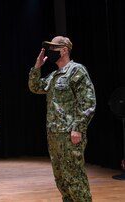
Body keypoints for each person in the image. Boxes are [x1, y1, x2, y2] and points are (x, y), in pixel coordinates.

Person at [28, 36, 96, 202]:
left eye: (53, 49)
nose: (50, 53)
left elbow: (88, 102)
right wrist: (37, 67)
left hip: (69, 134)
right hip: (54, 134)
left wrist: (78, 128)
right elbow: (35, 87)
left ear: (64, 50)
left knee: (74, 178)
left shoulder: (76, 70)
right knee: (61, 179)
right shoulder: (53, 76)